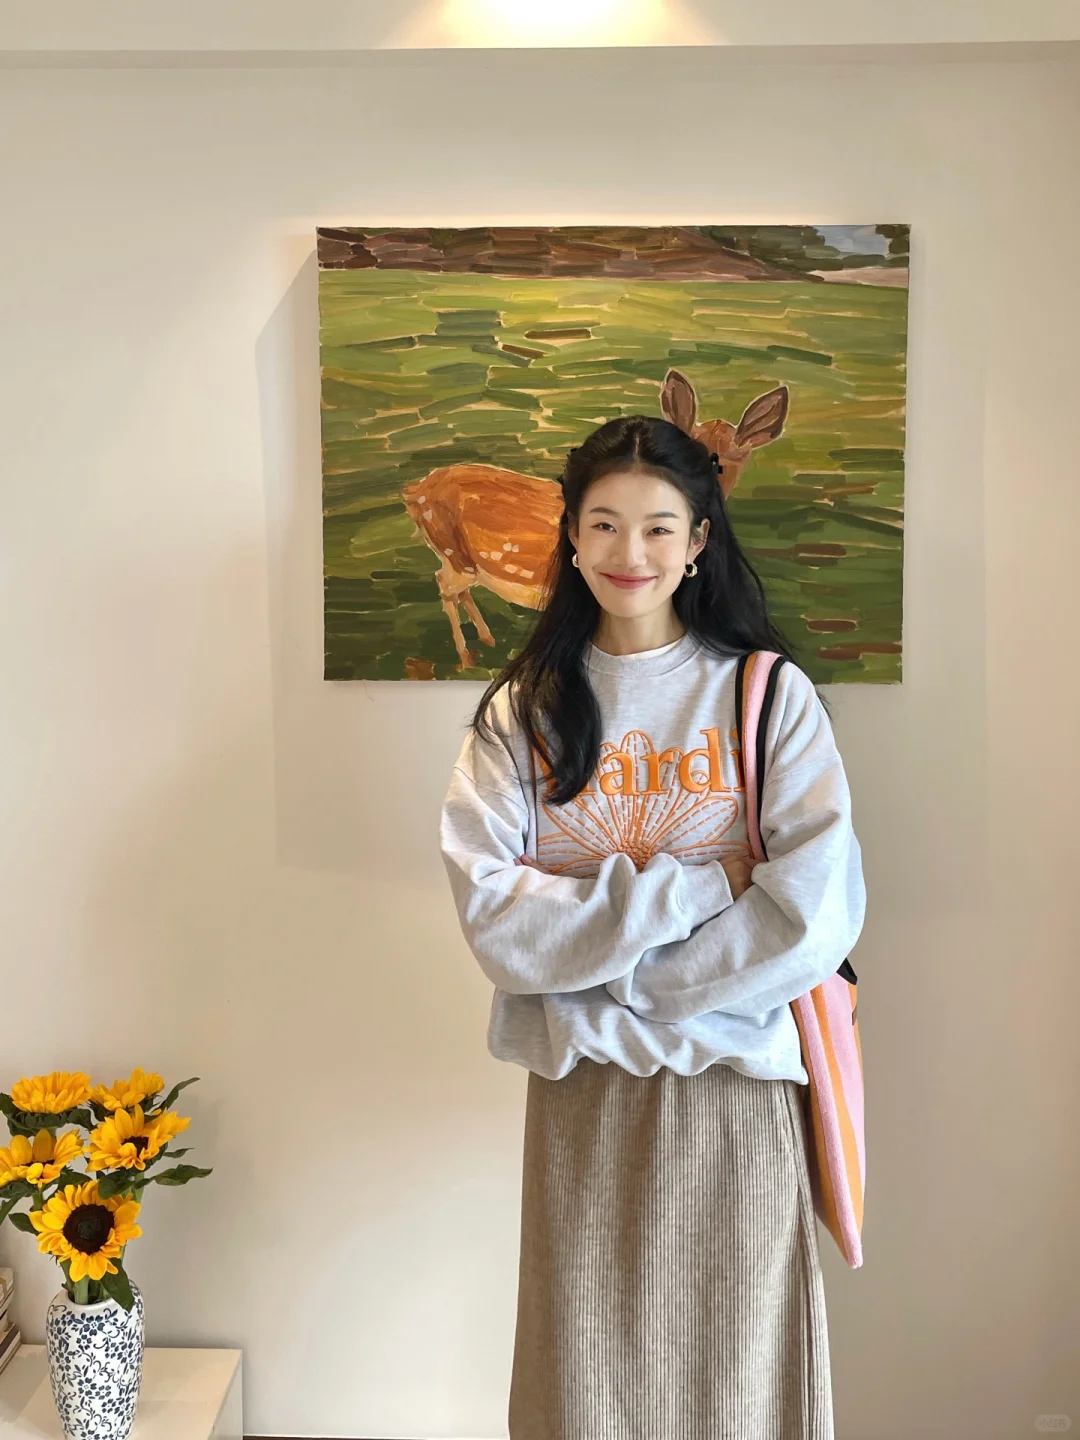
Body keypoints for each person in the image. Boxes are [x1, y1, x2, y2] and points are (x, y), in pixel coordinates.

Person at [437, 414, 867, 1440]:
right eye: (604, 524)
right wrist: (701, 886)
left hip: (738, 1093)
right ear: (571, 536)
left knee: (740, 1394)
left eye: (659, 528)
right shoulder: (523, 713)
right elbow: (497, 925)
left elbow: (811, 915)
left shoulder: (767, 698)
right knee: (585, 1392)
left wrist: (622, 974)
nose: (630, 552)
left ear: (699, 540)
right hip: (582, 1101)